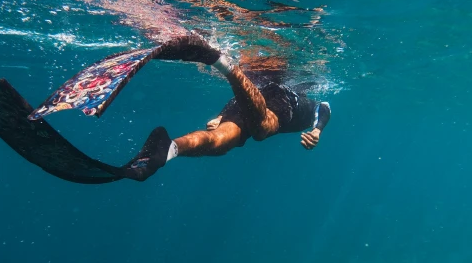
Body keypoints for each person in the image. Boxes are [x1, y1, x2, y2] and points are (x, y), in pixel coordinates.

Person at [124, 34, 331, 181]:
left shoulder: (287, 92)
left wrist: (222, 116)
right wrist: (317, 130)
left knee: (220, 140)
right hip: (277, 100)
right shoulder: (299, 98)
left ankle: (168, 149)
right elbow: (324, 106)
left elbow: (324, 107)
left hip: (251, 97)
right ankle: (222, 63)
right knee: (261, 131)